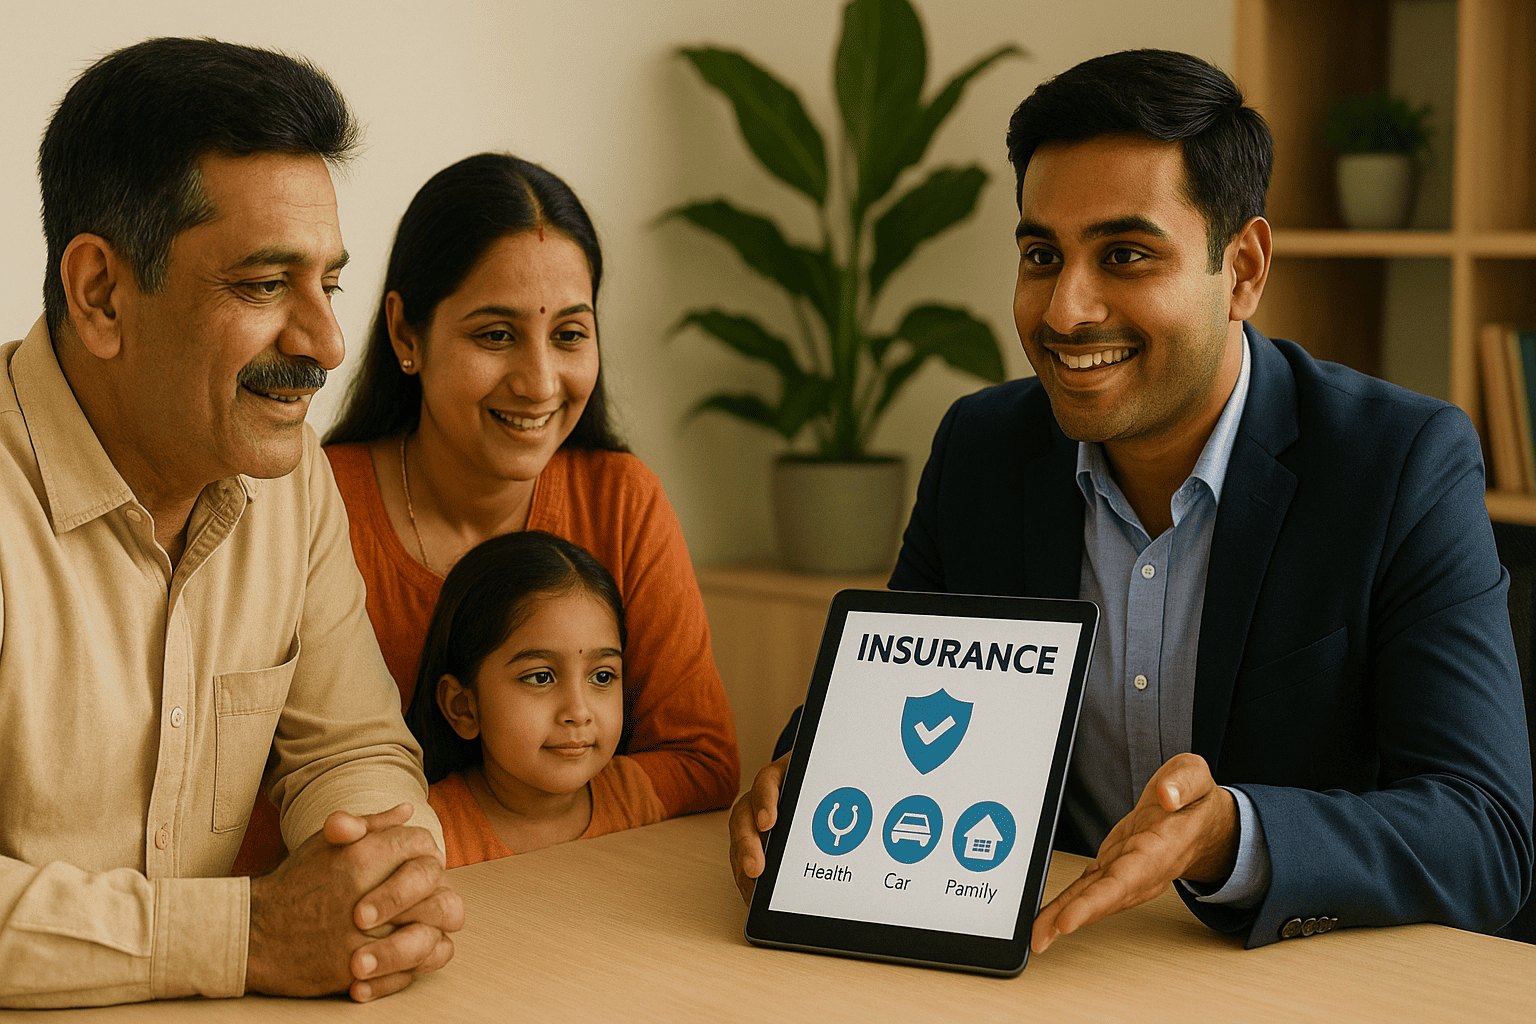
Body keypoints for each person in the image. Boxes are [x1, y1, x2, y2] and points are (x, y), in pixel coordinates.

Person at [729, 49, 1533, 952]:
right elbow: (900, 688)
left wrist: (1237, 835)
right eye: (1042, 255)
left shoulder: (1401, 464)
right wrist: (807, 765)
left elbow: (1484, 834)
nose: (1066, 310)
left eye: (1124, 255)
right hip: (1045, 962)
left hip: (1280, 984)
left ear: (1245, 268)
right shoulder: (981, 449)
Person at [0, 38, 463, 1007]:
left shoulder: (287, 479)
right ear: (101, 295)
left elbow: (352, 750)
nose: (329, 343)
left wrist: (378, 888)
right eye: (262, 285)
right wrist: (245, 937)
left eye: (327, 284)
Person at [233, 151, 738, 874]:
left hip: (574, 909)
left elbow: (702, 760)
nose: (538, 383)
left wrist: (523, 820)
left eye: (569, 334)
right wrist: (452, 837)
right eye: (496, 335)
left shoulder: (621, 500)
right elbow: (246, 816)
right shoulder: (301, 503)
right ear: (407, 335)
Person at [404, 530, 666, 866]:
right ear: (464, 708)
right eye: (540, 677)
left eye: (602, 676)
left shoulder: (635, 796)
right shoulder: (428, 831)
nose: (578, 711)